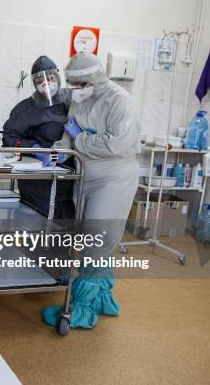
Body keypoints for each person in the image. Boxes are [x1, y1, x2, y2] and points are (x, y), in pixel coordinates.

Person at [43, 52, 141, 329]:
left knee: (95, 239)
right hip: (87, 175)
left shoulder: (119, 100)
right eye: (71, 84)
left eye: (79, 84)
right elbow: (67, 138)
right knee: (94, 239)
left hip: (115, 176)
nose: (73, 89)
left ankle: (81, 308)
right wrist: (51, 157)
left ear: (94, 80)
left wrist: (80, 138)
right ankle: (101, 297)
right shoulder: (79, 100)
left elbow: (116, 145)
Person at [2, 55, 75, 220]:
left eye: (50, 78)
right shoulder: (26, 109)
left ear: (57, 76)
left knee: (63, 224)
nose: (46, 84)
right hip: (38, 179)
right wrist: (34, 149)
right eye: (40, 81)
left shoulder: (70, 103)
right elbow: (9, 137)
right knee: (36, 223)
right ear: (34, 83)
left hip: (68, 176)